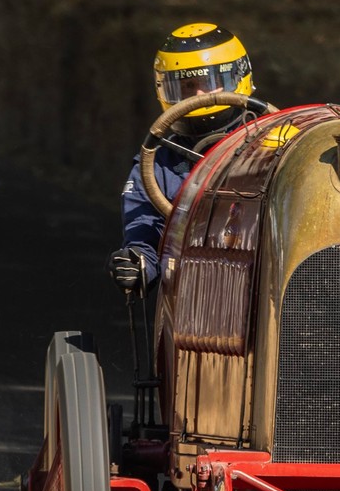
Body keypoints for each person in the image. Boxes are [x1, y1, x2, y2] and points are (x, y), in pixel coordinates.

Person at [109, 24, 259, 294]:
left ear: (239, 77)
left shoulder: (275, 142)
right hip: (193, 292)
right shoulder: (157, 161)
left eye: (209, 83)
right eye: (187, 86)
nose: (199, 96)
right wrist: (139, 262)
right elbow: (144, 228)